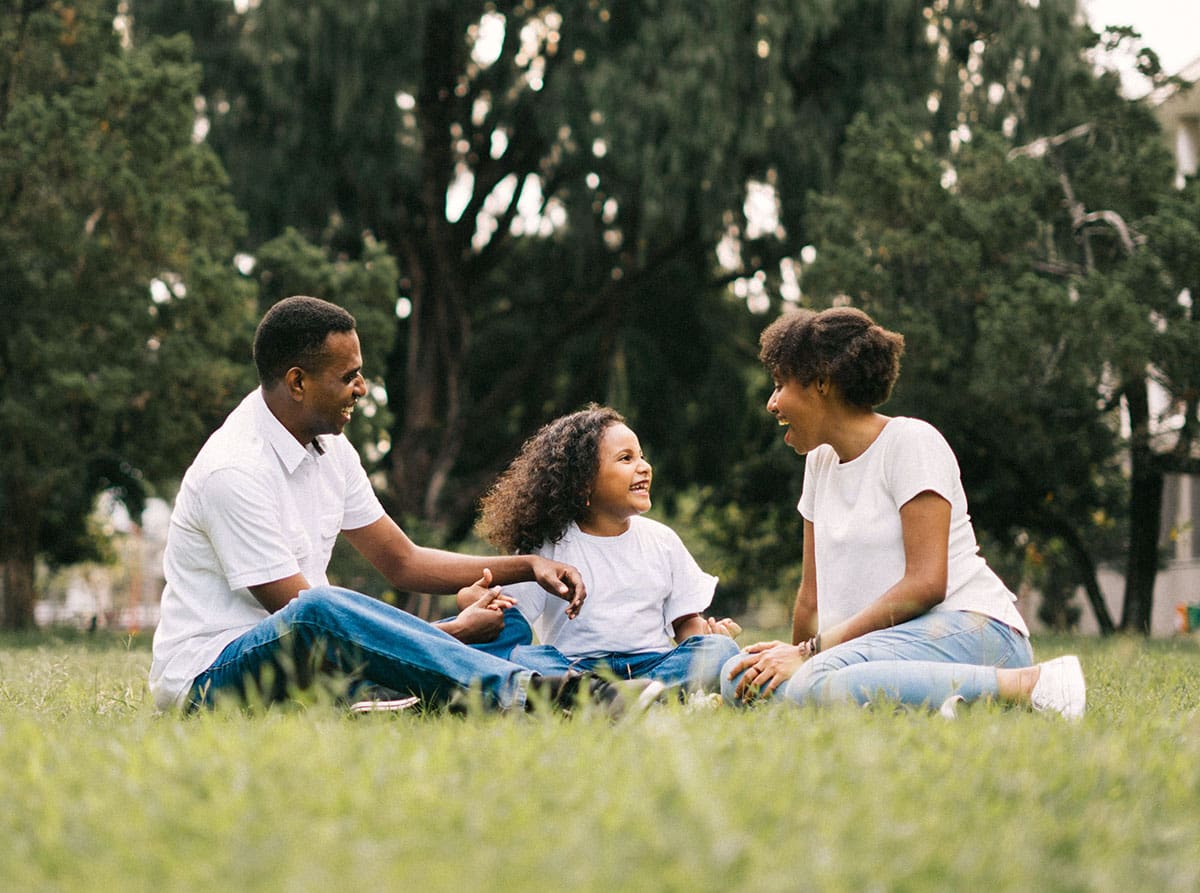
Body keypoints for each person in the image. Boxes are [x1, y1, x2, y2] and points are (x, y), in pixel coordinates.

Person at [149, 296, 650, 715]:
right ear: (298, 382)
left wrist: (527, 566)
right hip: (212, 678)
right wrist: (451, 631)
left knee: (505, 625)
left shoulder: (331, 449)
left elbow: (403, 562)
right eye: (349, 377)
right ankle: (532, 693)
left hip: (311, 662)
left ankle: (605, 684)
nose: (361, 389)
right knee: (318, 605)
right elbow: (306, 621)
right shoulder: (233, 470)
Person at [722, 306, 1086, 719]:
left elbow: (926, 584)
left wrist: (810, 655)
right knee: (739, 680)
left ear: (821, 382)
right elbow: (811, 598)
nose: (772, 403)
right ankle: (938, 702)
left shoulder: (911, 443)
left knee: (818, 680)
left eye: (778, 385)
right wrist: (788, 660)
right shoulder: (819, 464)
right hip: (877, 648)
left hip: (971, 629)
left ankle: (1032, 684)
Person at [468, 405, 742, 693]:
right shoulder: (547, 547)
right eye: (626, 458)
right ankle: (609, 694)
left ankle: (636, 693)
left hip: (653, 663)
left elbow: (686, 621)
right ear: (583, 483)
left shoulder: (663, 540)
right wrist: (475, 598)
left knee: (720, 650)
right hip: (574, 669)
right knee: (525, 657)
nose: (644, 467)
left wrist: (706, 639)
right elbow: (510, 619)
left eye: (642, 457)